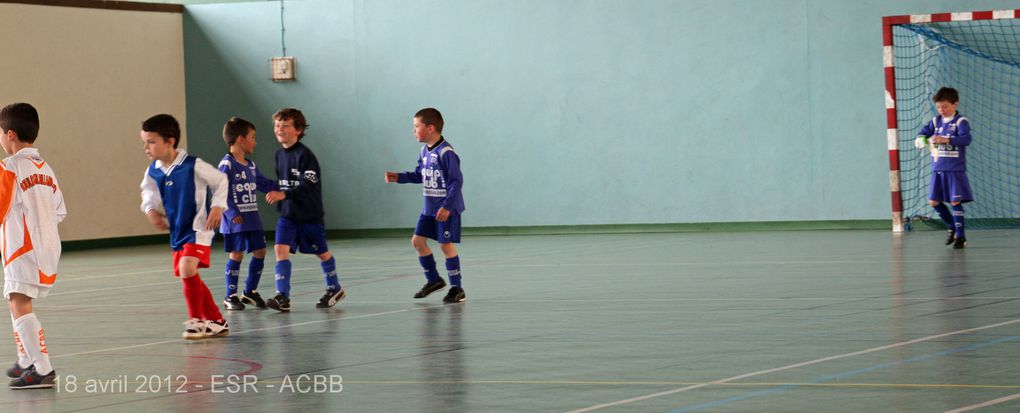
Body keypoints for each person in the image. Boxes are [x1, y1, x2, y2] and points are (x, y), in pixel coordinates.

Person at [139, 114, 230, 338]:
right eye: (144, 142)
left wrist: (218, 207)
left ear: (170, 141)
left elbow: (221, 181)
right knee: (190, 276)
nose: (146, 147)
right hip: (178, 232)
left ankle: (197, 321)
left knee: (187, 269)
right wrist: (150, 210)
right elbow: (148, 192)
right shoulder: (154, 170)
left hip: (199, 228)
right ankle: (217, 321)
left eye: (151, 141)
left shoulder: (192, 165)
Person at [0, 103, 65, 389]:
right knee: (16, 300)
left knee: (19, 301)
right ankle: (25, 359)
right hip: (46, 245)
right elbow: (60, 210)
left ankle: (42, 368)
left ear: (10, 134)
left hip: (22, 248)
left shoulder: (10, 167)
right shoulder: (46, 168)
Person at [265, 108, 344, 311]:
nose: (280, 129)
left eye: (286, 125)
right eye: (277, 125)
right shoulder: (278, 155)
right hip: (288, 216)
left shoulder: (305, 155)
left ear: (298, 130)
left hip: (309, 216)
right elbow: (282, 182)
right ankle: (282, 296)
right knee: (280, 249)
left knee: (322, 252)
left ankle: (334, 288)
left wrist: (285, 194)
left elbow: (308, 184)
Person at [385, 108, 466, 303]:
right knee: (417, 242)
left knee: (445, 246)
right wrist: (399, 177)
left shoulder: (446, 152)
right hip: (429, 209)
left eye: (416, 127)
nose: (413, 131)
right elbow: (420, 174)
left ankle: (457, 288)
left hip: (446, 209)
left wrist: (447, 206)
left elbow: (456, 181)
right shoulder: (424, 151)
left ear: (430, 128)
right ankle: (434, 280)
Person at [218, 117, 280, 310]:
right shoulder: (227, 165)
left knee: (260, 251)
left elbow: (262, 183)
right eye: (253, 137)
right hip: (235, 220)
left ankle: (249, 292)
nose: (255, 141)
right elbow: (218, 190)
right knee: (237, 255)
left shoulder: (250, 166)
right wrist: (231, 212)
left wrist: (283, 186)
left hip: (252, 218)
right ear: (240, 139)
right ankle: (230, 296)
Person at [914, 87, 973, 249]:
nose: (942, 110)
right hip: (938, 169)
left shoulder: (961, 122)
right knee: (933, 202)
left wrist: (946, 140)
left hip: (954, 169)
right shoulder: (936, 121)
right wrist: (920, 138)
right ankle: (952, 226)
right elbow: (923, 132)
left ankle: (961, 237)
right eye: (939, 107)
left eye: (945, 106)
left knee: (955, 201)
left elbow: (966, 139)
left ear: (955, 104)